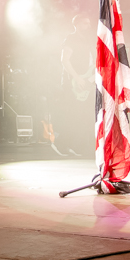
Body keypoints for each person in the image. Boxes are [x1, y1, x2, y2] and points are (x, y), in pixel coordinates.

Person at [53, 13, 96, 156]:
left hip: (86, 82)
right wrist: (77, 78)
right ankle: (60, 144)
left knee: (83, 116)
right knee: (70, 114)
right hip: (72, 83)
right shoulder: (71, 39)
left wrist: (90, 79)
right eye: (85, 23)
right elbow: (64, 60)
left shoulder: (89, 41)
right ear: (76, 25)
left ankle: (76, 146)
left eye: (89, 23)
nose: (88, 26)